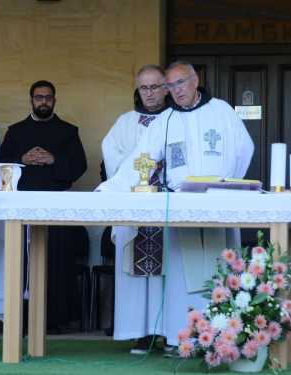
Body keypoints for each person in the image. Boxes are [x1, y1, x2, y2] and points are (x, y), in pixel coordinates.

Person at [97, 61, 254, 351]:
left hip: (217, 204)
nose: (176, 90)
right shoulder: (165, 120)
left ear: (195, 81)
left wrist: (228, 186)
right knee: (182, 273)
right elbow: (140, 159)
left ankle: (221, 336)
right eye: (171, 85)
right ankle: (180, 336)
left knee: (218, 267)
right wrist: (110, 189)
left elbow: (244, 148)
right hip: (181, 207)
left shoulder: (222, 111)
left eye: (181, 83)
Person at [0, 80, 87, 334]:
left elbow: (80, 166)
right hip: (20, 207)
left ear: (54, 101)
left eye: (48, 98)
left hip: (55, 205)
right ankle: (19, 316)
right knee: (20, 260)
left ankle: (52, 318)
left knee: (55, 260)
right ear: (31, 100)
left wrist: (53, 159)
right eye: (39, 97)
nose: (43, 102)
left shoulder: (68, 131)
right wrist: (21, 160)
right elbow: (0, 164)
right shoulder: (15, 132)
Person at [101, 64, 172, 354]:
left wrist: (165, 167)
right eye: (144, 87)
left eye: (155, 87)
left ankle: (169, 331)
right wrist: (143, 165)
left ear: (166, 88)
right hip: (133, 205)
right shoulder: (125, 121)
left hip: (166, 206)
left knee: (169, 271)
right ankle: (140, 332)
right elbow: (110, 152)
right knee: (134, 274)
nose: (149, 93)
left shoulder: (176, 119)